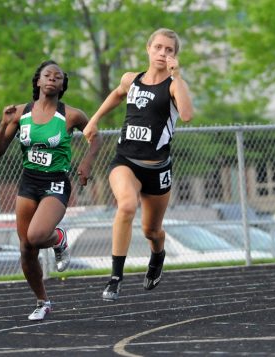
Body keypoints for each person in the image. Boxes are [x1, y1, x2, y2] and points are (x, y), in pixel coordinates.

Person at [83, 28, 194, 301]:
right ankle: (115, 277)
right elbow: (117, 94)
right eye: (158, 47)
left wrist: (177, 75)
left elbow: (188, 115)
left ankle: (158, 254)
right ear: (148, 48)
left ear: (175, 56)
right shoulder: (131, 79)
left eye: (169, 50)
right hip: (126, 161)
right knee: (127, 205)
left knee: (151, 231)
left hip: (157, 168)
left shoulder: (173, 84)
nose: (163, 53)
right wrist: (94, 120)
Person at [0, 60, 101, 320]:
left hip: (56, 181)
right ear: (38, 81)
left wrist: (86, 161)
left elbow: (96, 137)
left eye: (58, 77)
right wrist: (3, 124)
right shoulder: (20, 113)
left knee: (38, 236)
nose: (52, 79)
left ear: (62, 84)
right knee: (26, 249)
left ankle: (58, 239)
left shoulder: (72, 115)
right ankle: (42, 301)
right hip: (29, 182)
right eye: (47, 75)